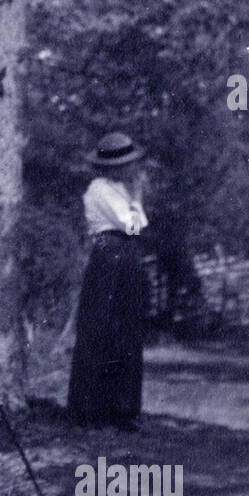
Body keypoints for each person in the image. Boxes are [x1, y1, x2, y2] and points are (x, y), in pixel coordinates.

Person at [67, 131, 149, 431]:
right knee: (100, 330)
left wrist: (135, 200)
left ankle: (124, 408)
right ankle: (91, 408)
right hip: (108, 257)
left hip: (125, 258)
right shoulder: (99, 189)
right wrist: (137, 200)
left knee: (127, 331)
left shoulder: (120, 189)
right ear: (112, 166)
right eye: (127, 164)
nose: (131, 169)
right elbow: (131, 224)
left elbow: (139, 225)